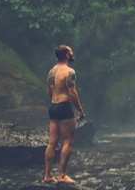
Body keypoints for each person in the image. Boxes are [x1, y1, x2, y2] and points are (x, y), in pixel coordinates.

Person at [43, 45, 86, 184]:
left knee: (52, 142)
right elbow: (72, 92)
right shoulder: (70, 71)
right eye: (71, 51)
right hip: (65, 107)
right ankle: (62, 175)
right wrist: (80, 109)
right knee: (67, 141)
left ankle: (47, 176)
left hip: (53, 106)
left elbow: (49, 90)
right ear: (66, 54)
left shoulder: (51, 71)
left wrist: (54, 101)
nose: (73, 53)